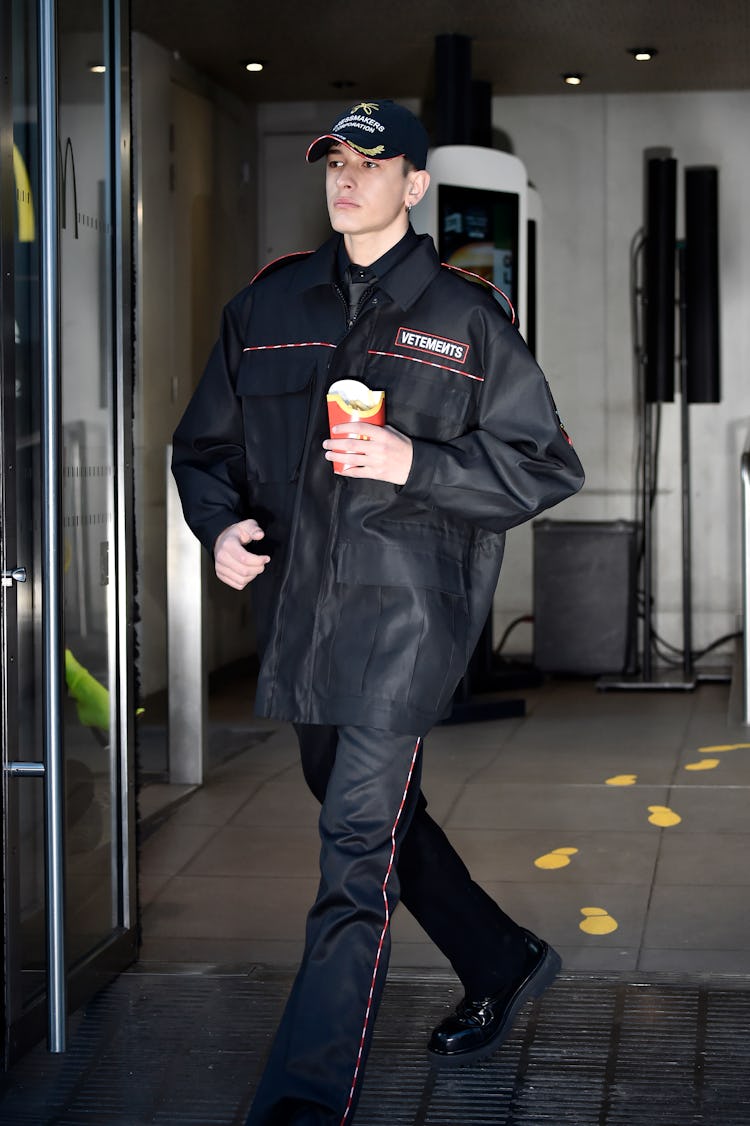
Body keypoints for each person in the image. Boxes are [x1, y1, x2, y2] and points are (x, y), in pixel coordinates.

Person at [172, 99, 584, 1126]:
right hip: (298, 617)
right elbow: (205, 448)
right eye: (336, 161)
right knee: (360, 806)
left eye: (373, 161)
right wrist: (217, 527)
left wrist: (417, 461)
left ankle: (304, 1103)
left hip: (406, 621)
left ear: (416, 185)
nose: (348, 177)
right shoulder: (267, 310)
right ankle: (501, 953)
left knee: (353, 853)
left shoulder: (466, 319)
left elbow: (547, 463)